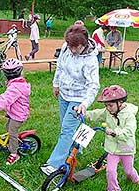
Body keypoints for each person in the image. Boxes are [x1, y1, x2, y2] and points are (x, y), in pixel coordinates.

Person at [40, 24, 100, 175]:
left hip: (78, 99)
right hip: (64, 94)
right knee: (65, 127)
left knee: (66, 130)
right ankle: (76, 148)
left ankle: (54, 165)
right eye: (70, 46)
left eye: (76, 47)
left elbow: (94, 85)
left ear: (84, 44)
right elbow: (60, 66)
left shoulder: (90, 60)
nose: (73, 50)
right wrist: (56, 84)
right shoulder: (67, 47)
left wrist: (84, 104)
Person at [85, 85, 139, 191]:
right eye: (106, 106)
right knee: (110, 171)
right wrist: (83, 113)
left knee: (128, 171)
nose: (107, 108)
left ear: (120, 102)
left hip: (126, 148)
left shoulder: (129, 115)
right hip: (112, 149)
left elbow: (129, 132)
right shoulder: (108, 112)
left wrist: (115, 132)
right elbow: (96, 114)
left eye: (110, 105)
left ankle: (135, 179)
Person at [0, 58, 31, 165]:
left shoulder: (16, 87)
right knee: (8, 127)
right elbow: (6, 95)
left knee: (12, 132)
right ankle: (9, 141)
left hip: (18, 115)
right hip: (14, 112)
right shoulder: (15, 84)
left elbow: (7, 100)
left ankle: (14, 154)